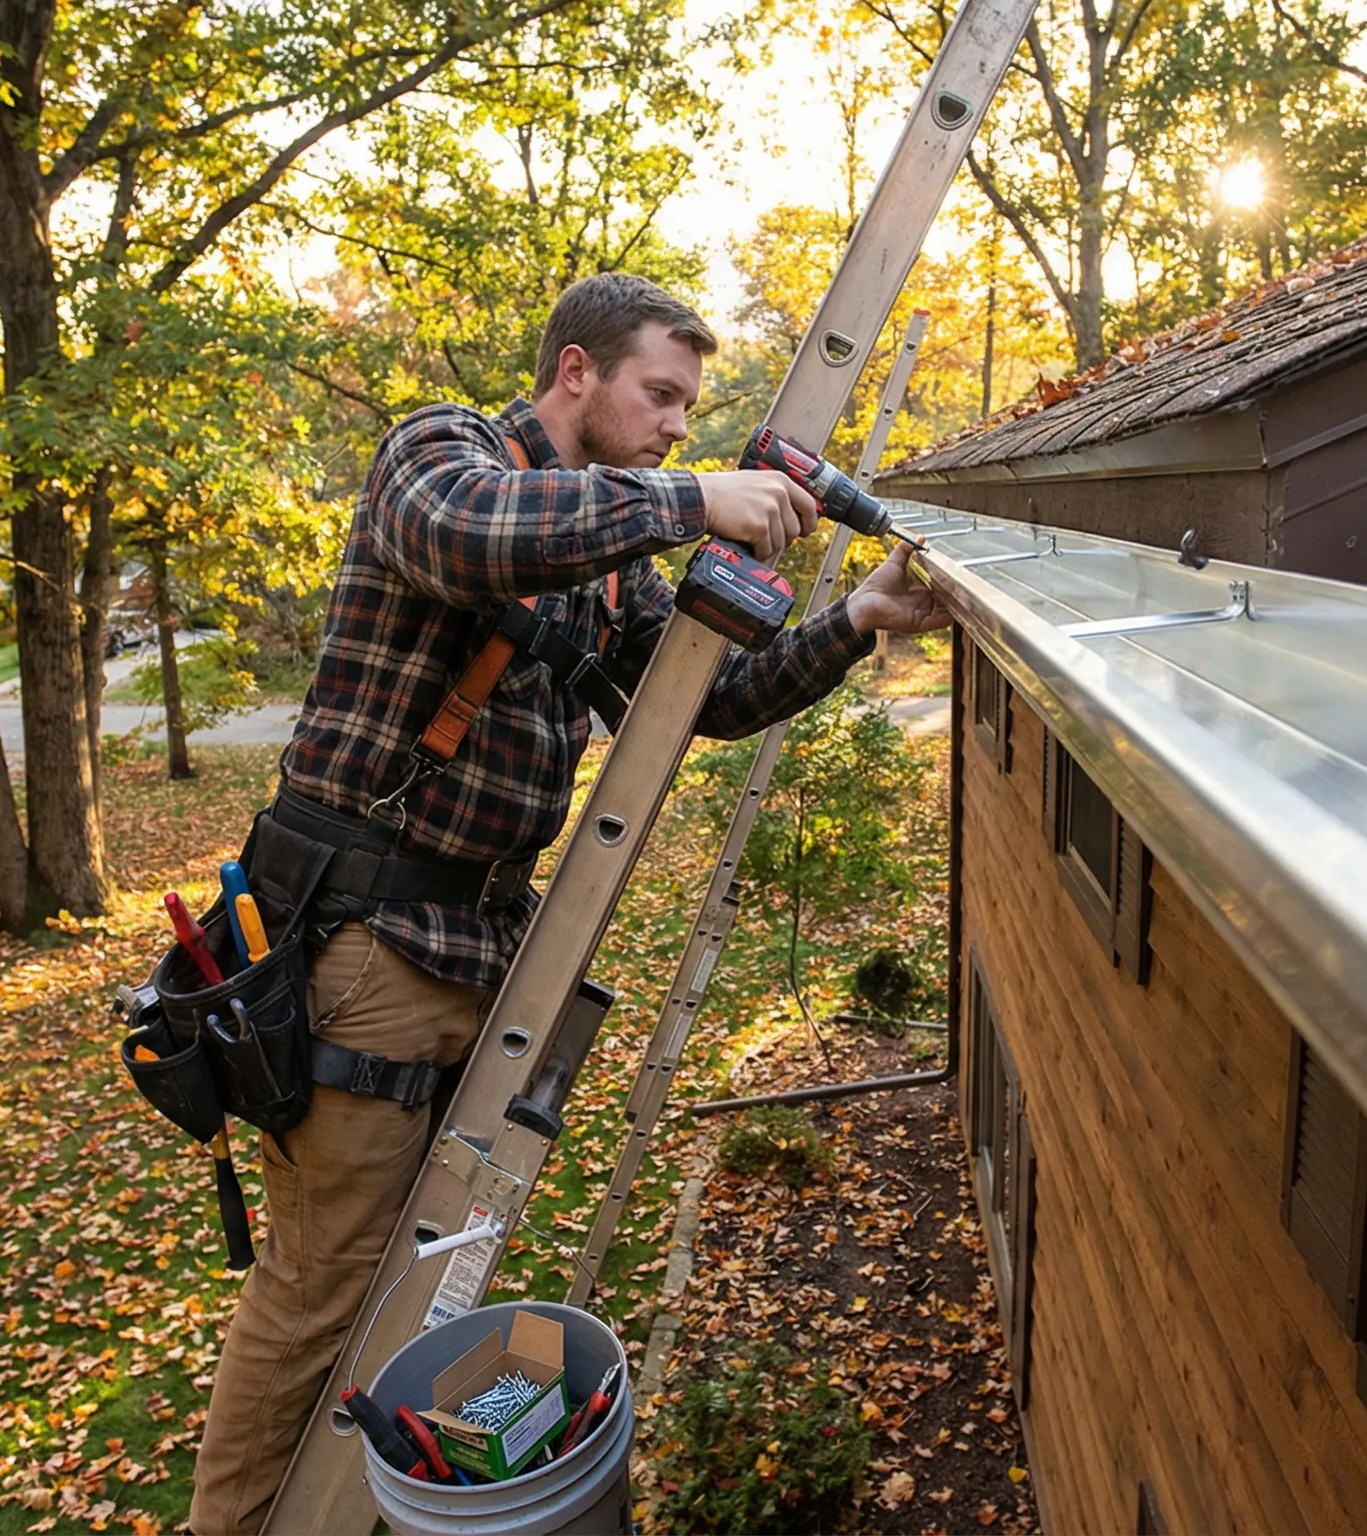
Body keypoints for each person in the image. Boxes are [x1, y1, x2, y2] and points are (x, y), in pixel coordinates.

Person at [189, 272, 950, 1533]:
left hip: (475, 950)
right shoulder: (442, 453)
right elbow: (466, 533)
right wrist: (695, 500)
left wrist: (857, 619)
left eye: (688, 410)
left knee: (416, 1281)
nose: (673, 425)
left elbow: (697, 698)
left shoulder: (604, 567)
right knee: (324, 1283)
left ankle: (351, 1508)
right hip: (363, 945)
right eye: (659, 395)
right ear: (575, 371)